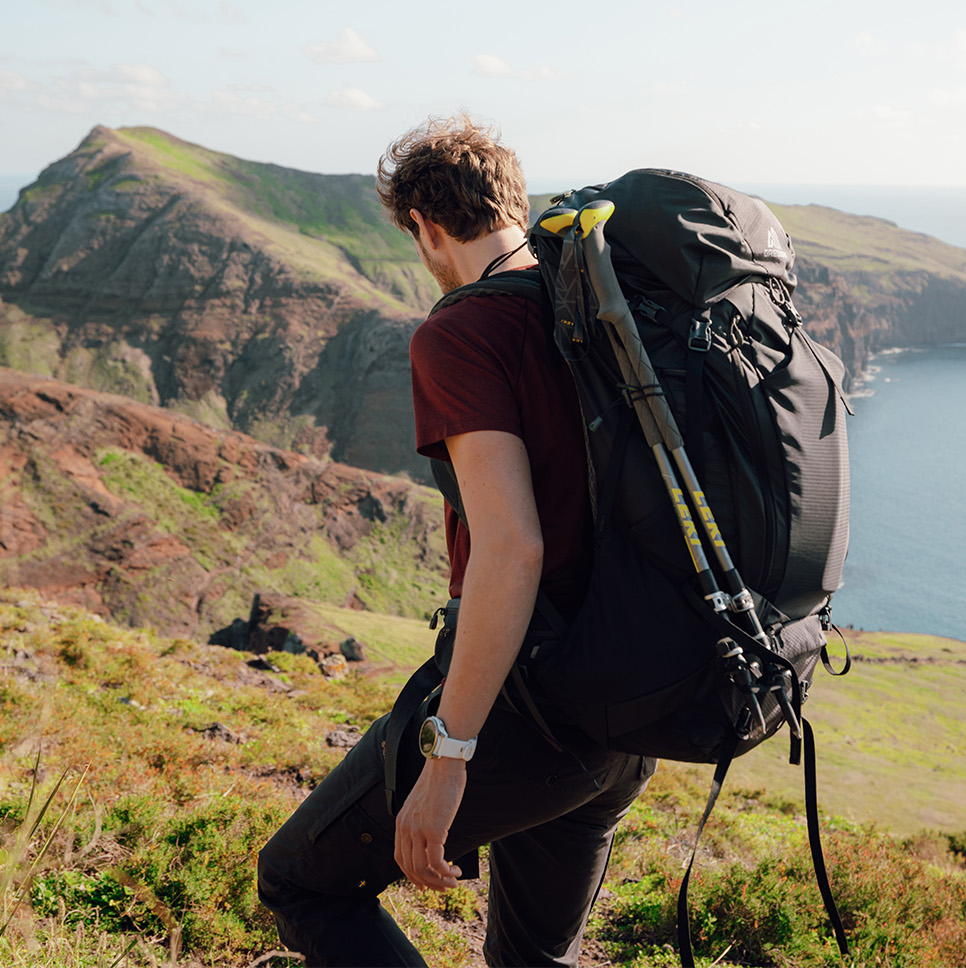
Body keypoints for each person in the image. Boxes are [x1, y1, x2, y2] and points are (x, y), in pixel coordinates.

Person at [256, 116, 656, 967]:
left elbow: (512, 552)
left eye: (417, 241)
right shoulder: (597, 310)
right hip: (625, 712)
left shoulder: (462, 332)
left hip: (531, 714)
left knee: (300, 880)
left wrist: (450, 755)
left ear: (427, 227)